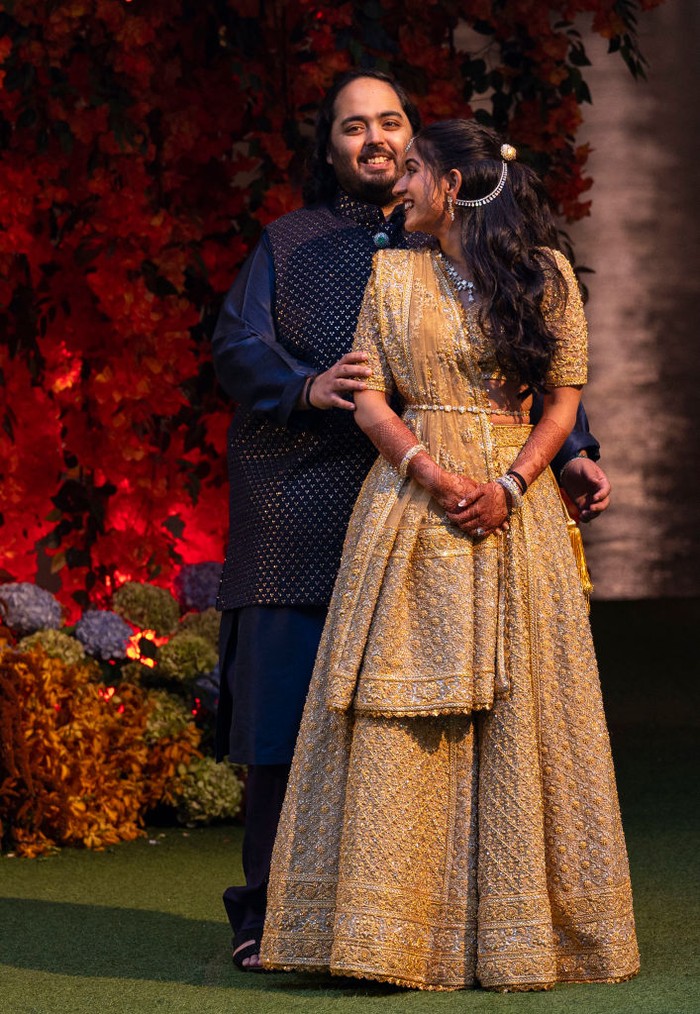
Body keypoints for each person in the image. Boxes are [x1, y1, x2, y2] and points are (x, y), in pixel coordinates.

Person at [212, 71, 611, 971]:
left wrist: (573, 452)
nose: (376, 140)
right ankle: (272, 912)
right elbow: (236, 344)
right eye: (353, 127)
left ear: (422, 151)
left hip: (435, 513)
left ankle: (427, 918)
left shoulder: (466, 242)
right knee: (288, 719)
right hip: (304, 505)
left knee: (435, 723)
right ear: (329, 148)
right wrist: (305, 385)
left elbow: (522, 365)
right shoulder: (293, 242)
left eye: (390, 122)